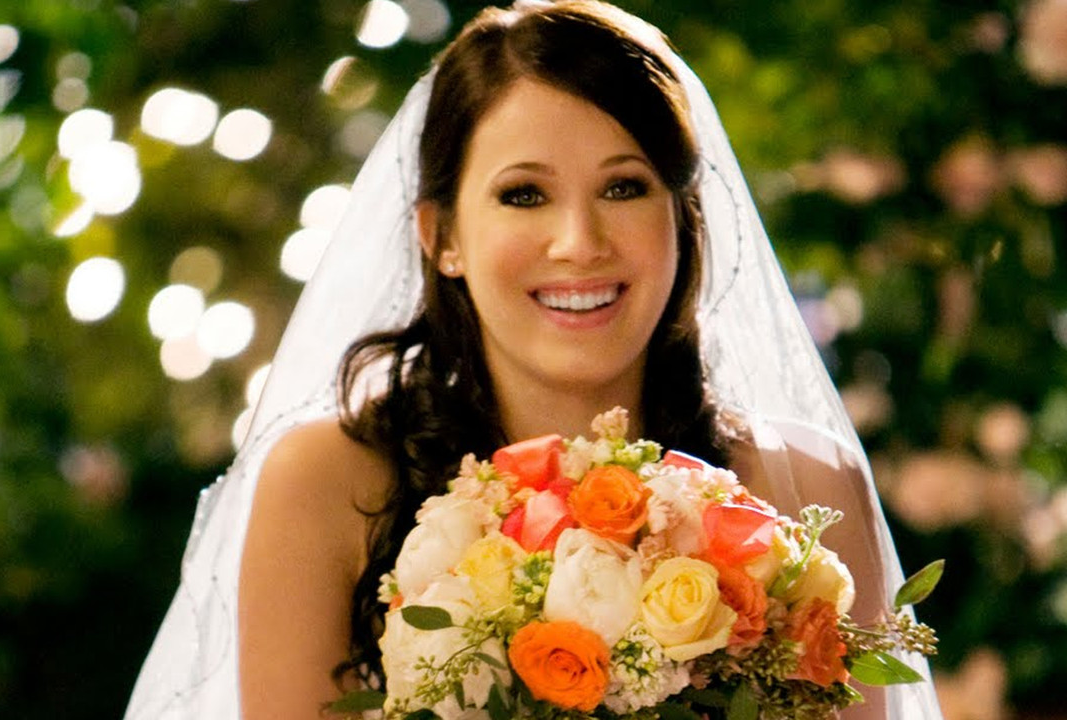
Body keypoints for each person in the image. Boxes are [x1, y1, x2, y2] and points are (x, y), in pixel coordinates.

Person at [124, 2, 943, 719]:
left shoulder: (810, 488)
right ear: (441, 236)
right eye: (525, 195)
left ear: (683, 218)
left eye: (625, 188)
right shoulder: (327, 484)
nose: (579, 243)